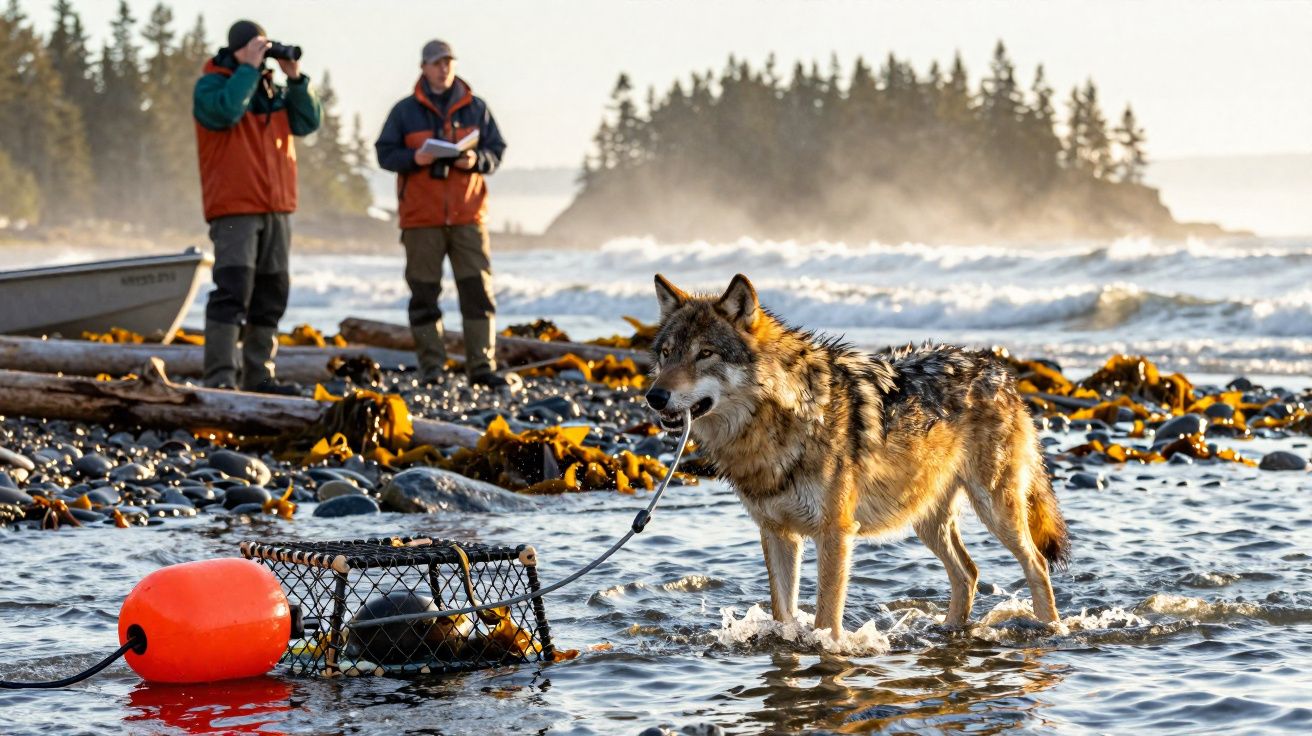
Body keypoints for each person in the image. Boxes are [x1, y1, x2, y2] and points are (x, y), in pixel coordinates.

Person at [193, 20, 321, 392]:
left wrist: (295, 79)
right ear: (238, 49)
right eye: (255, 47)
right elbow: (225, 112)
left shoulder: (270, 90)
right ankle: (220, 379)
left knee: (271, 292)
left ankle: (259, 377)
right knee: (233, 289)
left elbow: (308, 122)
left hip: (277, 206)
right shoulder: (213, 85)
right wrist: (247, 68)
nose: (262, 54)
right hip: (234, 207)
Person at [375, 39, 511, 389]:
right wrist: (414, 159)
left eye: (447, 61)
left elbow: (496, 151)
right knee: (424, 295)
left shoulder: (476, 107)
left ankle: (481, 367)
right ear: (423, 67)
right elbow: (384, 154)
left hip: (468, 217)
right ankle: (432, 369)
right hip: (421, 220)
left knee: (478, 294)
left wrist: (475, 161)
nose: (443, 68)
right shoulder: (404, 111)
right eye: (436, 63)